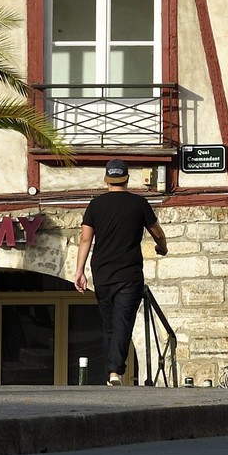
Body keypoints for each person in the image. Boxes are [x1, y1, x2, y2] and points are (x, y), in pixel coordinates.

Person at [73, 160, 167, 385]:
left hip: (102, 274)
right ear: (126, 178)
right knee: (123, 322)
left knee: (109, 325)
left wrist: (79, 271)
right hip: (129, 274)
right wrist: (162, 247)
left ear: (107, 180)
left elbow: (86, 239)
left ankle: (111, 372)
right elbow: (157, 232)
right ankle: (115, 371)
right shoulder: (139, 203)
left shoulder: (95, 205)